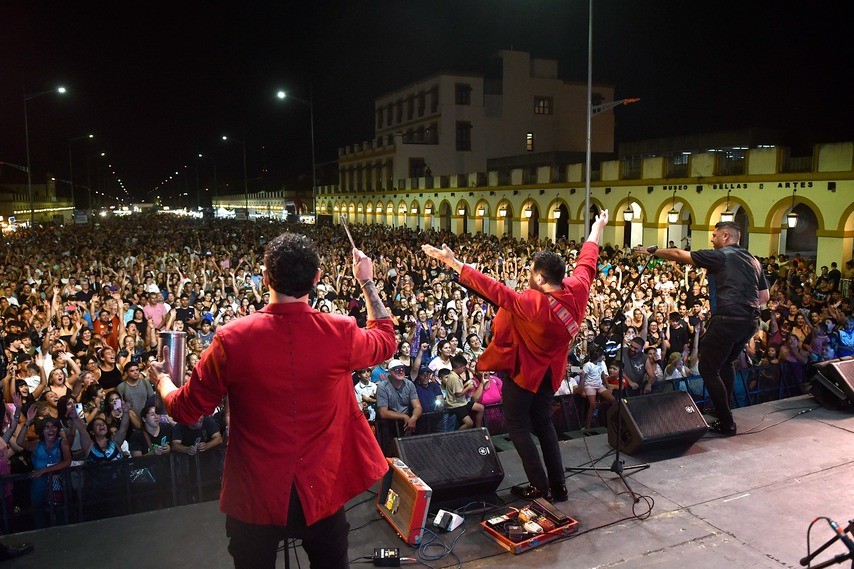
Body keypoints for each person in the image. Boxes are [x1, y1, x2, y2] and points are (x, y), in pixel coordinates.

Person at [148, 232, 395, 569]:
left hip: (254, 494)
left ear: (265, 278)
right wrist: (366, 281)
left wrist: (162, 380)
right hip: (320, 489)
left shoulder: (232, 339)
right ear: (317, 278)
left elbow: (184, 409)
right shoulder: (341, 332)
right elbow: (384, 336)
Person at [422, 209, 608, 502]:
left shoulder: (534, 304)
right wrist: (598, 227)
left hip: (525, 375)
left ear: (539, 277)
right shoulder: (578, 290)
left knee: (518, 425)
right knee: (544, 423)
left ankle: (539, 486)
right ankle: (558, 486)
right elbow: (588, 260)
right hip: (551, 375)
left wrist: (453, 262)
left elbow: (496, 291)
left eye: (531, 271)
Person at [638, 221, 768, 435]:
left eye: (715, 235)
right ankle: (724, 409)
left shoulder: (721, 255)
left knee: (708, 368)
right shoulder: (753, 260)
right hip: (749, 321)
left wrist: (655, 251)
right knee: (726, 362)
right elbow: (764, 297)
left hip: (728, 318)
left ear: (726, 236)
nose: (712, 239)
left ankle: (727, 423)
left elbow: (681, 255)